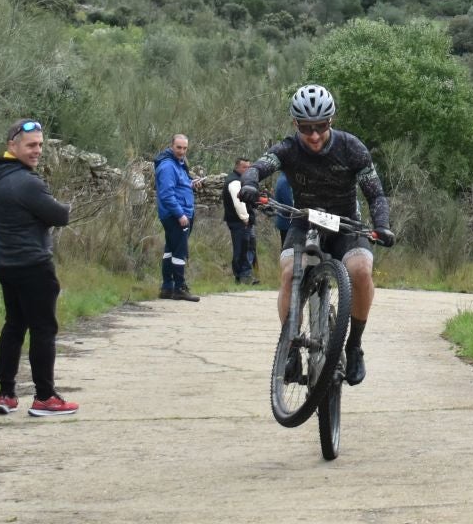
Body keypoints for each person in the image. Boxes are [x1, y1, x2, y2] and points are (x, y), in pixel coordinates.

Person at [238, 84, 393, 386]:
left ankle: (354, 346)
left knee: (361, 270)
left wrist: (382, 224)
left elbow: (375, 194)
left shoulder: (351, 147)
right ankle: (290, 348)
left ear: (330, 121)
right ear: (295, 123)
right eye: (306, 127)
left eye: (320, 126)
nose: (314, 135)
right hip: (304, 221)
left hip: (346, 224)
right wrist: (250, 184)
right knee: (288, 275)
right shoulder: (287, 149)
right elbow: (256, 167)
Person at [0, 119, 78, 417]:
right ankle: (45, 397)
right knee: (43, 329)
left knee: (14, 326)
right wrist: (61, 207)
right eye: (31, 145)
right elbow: (60, 216)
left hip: (5, 264)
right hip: (34, 266)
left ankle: (6, 394)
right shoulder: (27, 182)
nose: (37, 150)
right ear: (12, 146)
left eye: (40, 145)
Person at [154, 133, 200, 301]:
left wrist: (190, 184)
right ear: (171, 146)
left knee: (170, 249)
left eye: (185, 148)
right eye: (178, 147)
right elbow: (166, 194)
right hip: (176, 215)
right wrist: (180, 214)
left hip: (177, 213)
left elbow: (178, 186)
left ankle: (167, 288)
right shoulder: (168, 166)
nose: (182, 151)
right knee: (180, 251)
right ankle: (179, 288)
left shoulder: (178, 164)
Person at [222, 156, 259, 285]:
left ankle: (245, 275)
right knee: (242, 249)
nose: (247, 170)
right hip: (240, 221)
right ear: (237, 167)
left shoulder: (240, 180)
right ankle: (243, 276)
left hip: (243, 220)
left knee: (248, 247)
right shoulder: (235, 181)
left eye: (249, 167)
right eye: (244, 167)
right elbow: (239, 202)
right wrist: (245, 218)